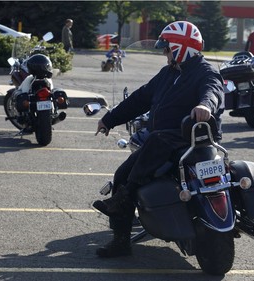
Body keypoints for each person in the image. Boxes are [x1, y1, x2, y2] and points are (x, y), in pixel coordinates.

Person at [93, 20, 224, 258]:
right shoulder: (169, 73)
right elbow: (140, 99)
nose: (165, 53)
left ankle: (125, 198)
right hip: (165, 141)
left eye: (168, 48)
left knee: (157, 139)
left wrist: (205, 105)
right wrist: (109, 119)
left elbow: (213, 90)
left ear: (182, 48)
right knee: (121, 174)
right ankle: (121, 242)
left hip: (190, 140)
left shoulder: (205, 71)